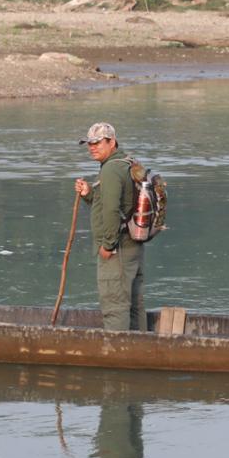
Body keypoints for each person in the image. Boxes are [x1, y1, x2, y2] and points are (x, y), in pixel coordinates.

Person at [73, 122, 146, 332]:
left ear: (112, 142)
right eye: (89, 144)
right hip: (134, 244)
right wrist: (89, 194)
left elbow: (112, 211)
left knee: (114, 305)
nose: (92, 147)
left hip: (118, 248)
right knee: (134, 305)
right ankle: (139, 351)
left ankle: (120, 355)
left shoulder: (111, 170)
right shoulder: (127, 162)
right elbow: (119, 203)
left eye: (97, 143)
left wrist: (108, 245)